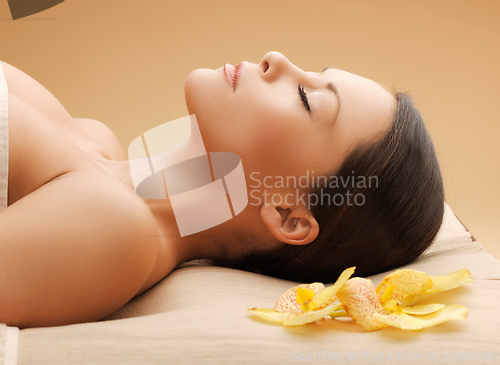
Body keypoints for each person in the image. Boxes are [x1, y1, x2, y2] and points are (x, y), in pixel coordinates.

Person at [0, 51, 443, 328]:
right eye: (310, 69)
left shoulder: (118, 230)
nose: (276, 59)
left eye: (308, 99)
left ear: (287, 214)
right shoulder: (96, 140)